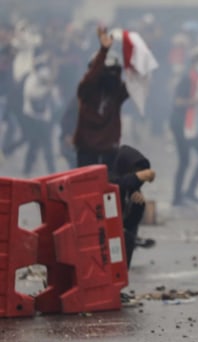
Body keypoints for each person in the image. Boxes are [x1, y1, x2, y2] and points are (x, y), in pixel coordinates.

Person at [73, 26, 129, 170]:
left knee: (109, 188)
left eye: (113, 70)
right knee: (85, 187)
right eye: (106, 71)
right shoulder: (86, 90)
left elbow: (135, 82)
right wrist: (103, 51)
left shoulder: (117, 92)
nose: (110, 75)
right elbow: (91, 77)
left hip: (109, 148)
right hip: (87, 147)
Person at [169, 52, 198, 206]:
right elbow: (177, 101)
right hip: (180, 124)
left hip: (190, 125)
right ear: (194, 63)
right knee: (184, 161)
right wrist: (197, 101)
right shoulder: (187, 79)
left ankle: (190, 191)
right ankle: (177, 197)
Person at [109, 144, 155, 270]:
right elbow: (115, 184)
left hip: (119, 232)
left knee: (128, 237)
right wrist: (136, 177)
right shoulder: (110, 175)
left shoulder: (132, 189)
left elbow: (130, 224)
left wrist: (138, 206)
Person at [21, 55, 62, 176]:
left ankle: (51, 171)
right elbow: (33, 95)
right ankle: (28, 168)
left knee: (46, 145)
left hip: (45, 118)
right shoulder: (32, 80)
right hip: (33, 117)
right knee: (35, 144)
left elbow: (55, 99)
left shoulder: (48, 81)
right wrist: (46, 89)